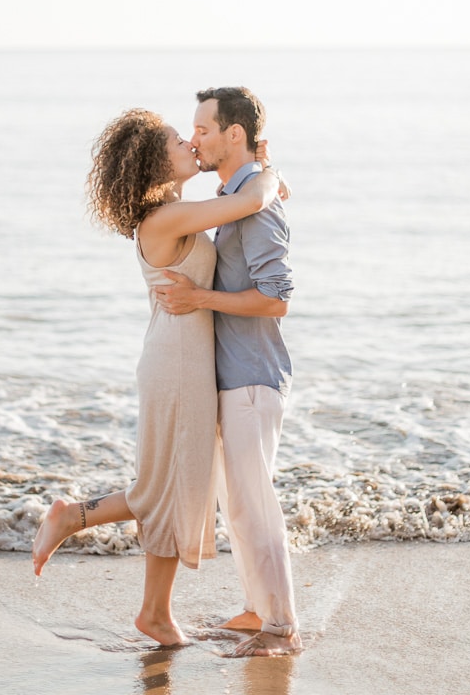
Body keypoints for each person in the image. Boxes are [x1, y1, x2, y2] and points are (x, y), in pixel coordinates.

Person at [31, 107, 282, 648]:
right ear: (153, 162)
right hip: (176, 364)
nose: (190, 144)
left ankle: (154, 612)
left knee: (177, 483)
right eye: (176, 140)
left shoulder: (175, 211)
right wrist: (268, 169)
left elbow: (250, 207)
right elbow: (248, 201)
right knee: (165, 484)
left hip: (185, 359)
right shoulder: (164, 220)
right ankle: (71, 519)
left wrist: (263, 178)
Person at [153, 87, 302, 656]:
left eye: (204, 130)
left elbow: (277, 298)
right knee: (237, 504)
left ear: (233, 134)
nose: (195, 139)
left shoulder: (258, 204)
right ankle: (256, 607)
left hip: (253, 377)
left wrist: (199, 300)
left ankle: (281, 626)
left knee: (253, 502)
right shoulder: (240, 193)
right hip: (232, 377)